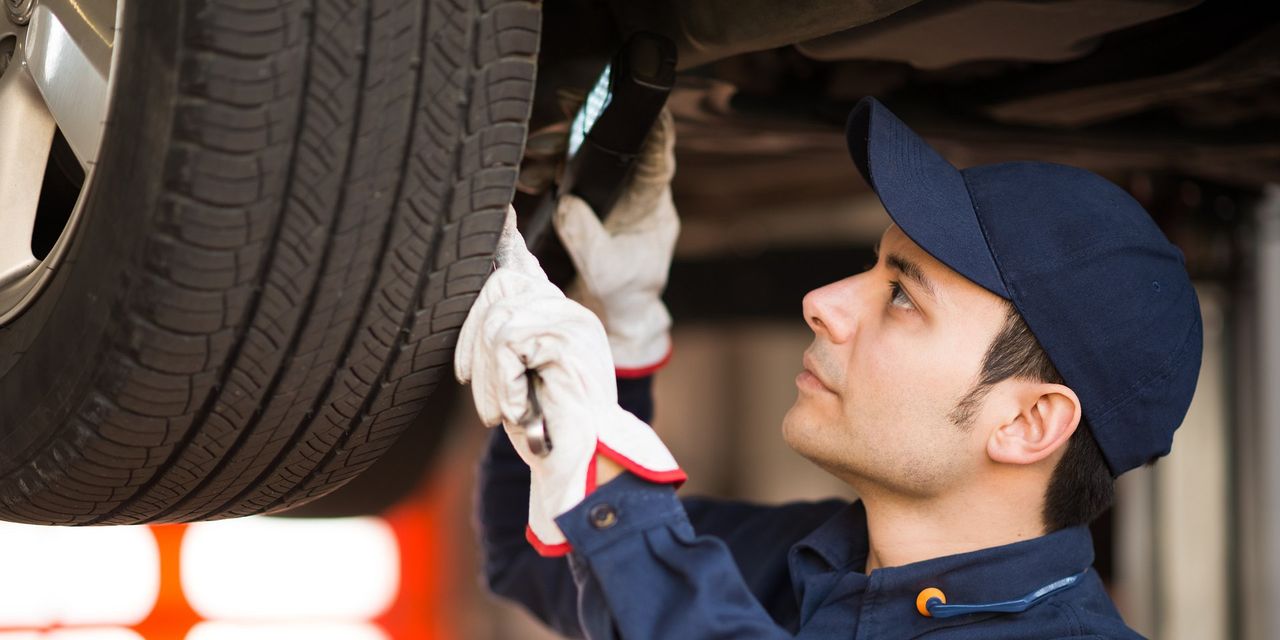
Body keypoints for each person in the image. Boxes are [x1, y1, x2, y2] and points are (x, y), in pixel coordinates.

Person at [454, 97, 1203, 638]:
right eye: (871, 268)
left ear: (1027, 422)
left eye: (903, 295)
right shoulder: (826, 559)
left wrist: (614, 493)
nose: (821, 302)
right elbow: (539, 556)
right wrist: (620, 334)